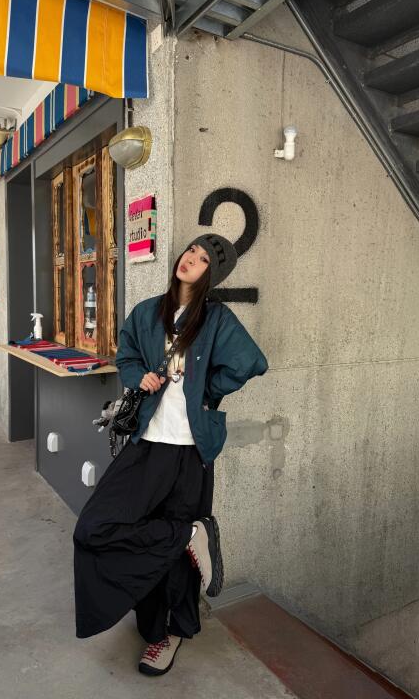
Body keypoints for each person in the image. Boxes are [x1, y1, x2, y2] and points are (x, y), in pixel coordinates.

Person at [73, 233, 268, 676]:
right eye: (191, 251)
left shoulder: (216, 319)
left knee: (179, 565)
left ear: (212, 274)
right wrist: (138, 376)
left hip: (191, 450)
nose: (191, 259)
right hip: (148, 444)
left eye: (203, 259)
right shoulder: (148, 312)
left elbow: (250, 362)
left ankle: (170, 634)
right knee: (95, 526)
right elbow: (125, 355)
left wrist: (208, 391)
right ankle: (188, 534)